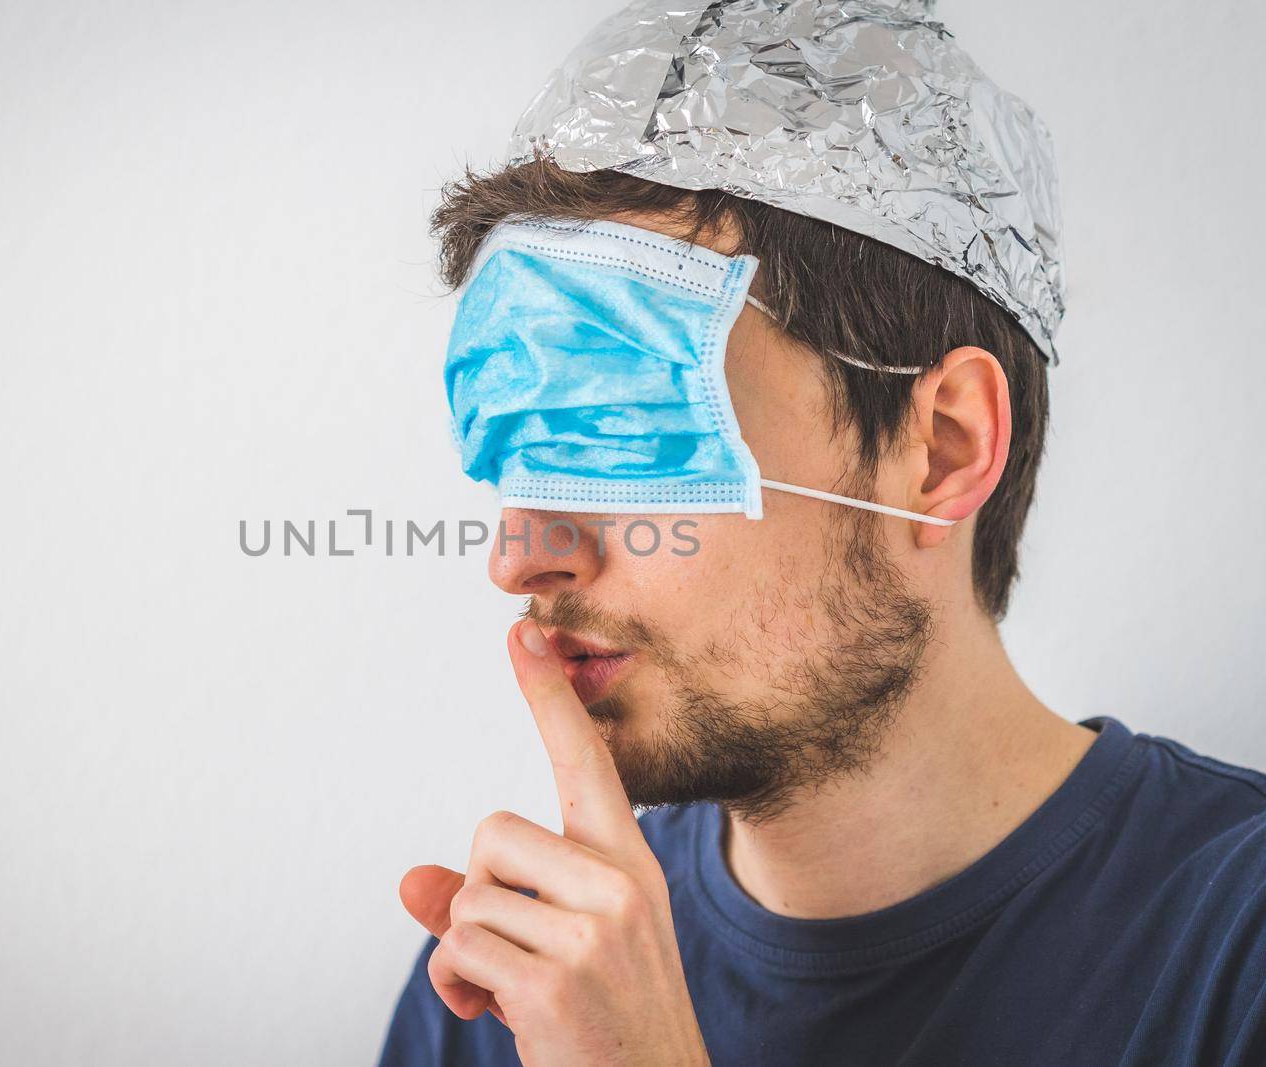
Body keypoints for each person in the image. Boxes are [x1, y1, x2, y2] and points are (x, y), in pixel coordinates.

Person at [379, 3, 1266, 1064]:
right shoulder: (498, 995)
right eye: (514, 449)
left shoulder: (1233, 959)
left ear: (940, 448)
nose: (520, 554)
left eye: (622, 426)